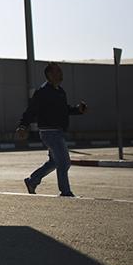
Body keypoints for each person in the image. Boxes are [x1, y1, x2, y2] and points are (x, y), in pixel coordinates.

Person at [17, 63, 88, 197]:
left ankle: (32, 181)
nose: (61, 74)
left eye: (60, 72)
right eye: (58, 72)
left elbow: (64, 110)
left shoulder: (60, 91)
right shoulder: (42, 92)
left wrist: (78, 110)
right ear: (49, 74)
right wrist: (23, 125)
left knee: (54, 162)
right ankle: (65, 191)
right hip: (49, 132)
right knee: (64, 161)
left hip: (58, 132)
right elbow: (31, 110)